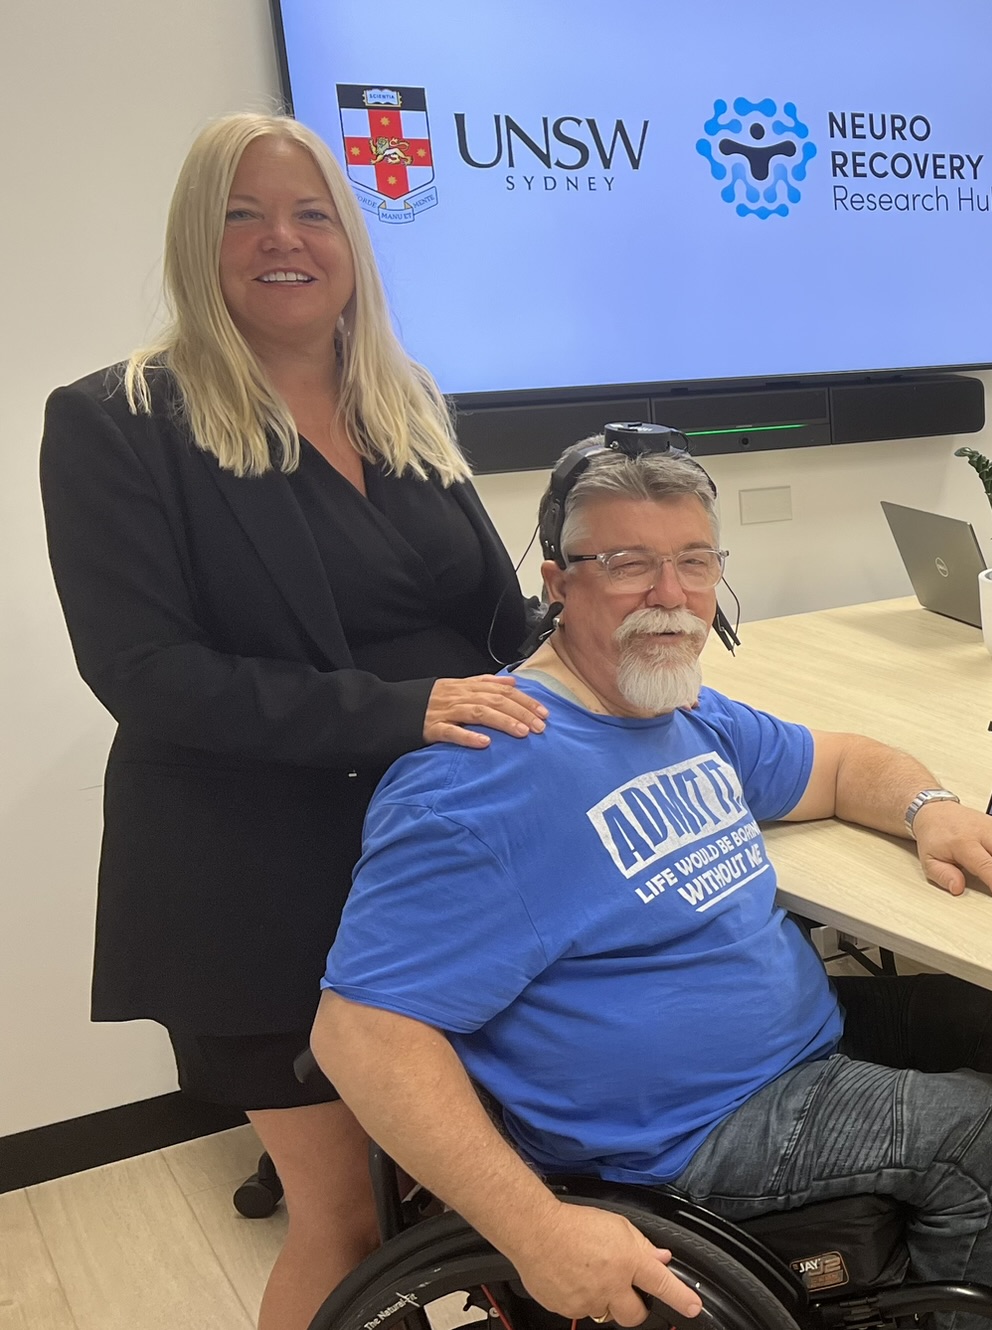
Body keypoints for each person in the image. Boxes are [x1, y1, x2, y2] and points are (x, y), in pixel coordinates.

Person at [312, 437, 992, 1330]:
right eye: (628, 564)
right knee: (989, 1137)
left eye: (694, 562)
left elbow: (840, 763)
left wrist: (932, 808)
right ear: (558, 585)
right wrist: (539, 1233)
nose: (670, 596)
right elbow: (361, 1031)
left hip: (783, 1048)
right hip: (674, 1135)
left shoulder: (675, 706)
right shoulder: (482, 776)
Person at [38, 114, 540, 1330]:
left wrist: (599, 612)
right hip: (251, 877)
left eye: (313, 214)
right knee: (346, 1220)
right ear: (193, 241)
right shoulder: (118, 421)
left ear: (352, 243)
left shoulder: (404, 403)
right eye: (242, 215)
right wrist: (399, 708)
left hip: (429, 864)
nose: (282, 240)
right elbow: (145, 671)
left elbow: (481, 626)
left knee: (468, 1198)